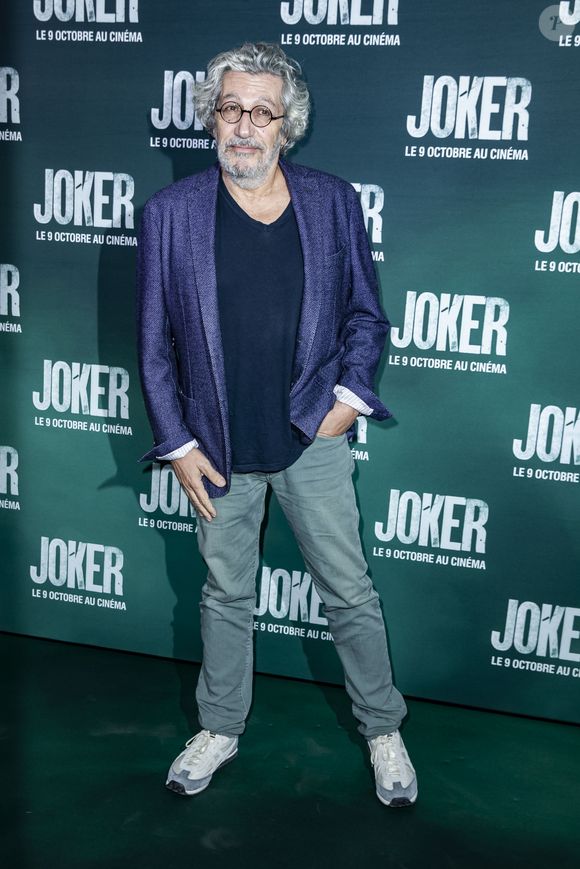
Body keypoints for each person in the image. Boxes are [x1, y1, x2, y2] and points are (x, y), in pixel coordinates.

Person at [137, 41, 417, 807]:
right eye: (231, 109)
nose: (245, 127)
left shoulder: (331, 201)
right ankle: (220, 725)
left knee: (349, 592)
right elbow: (154, 347)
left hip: (309, 436)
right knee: (225, 594)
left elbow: (367, 315)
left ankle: (382, 728)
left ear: (287, 125)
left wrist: (346, 405)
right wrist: (179, 443)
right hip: (216, 447)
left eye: (262, 112)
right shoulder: (170, 214)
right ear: (211, 118)